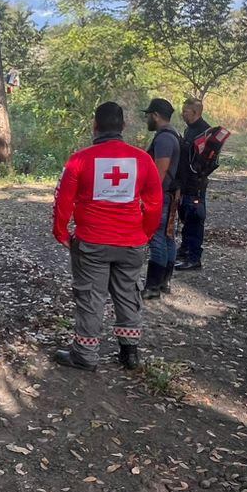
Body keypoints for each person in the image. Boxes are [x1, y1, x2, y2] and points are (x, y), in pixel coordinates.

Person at [51, 101, 162, 371]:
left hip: (93, 242)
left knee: (90, 297)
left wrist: (61, 232)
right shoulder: (143, 160)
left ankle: (85, 355)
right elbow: (155, 203)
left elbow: (63, 200)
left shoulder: (80, 159)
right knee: (128, 294)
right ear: (123, 126)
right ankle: (130, 353)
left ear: (95, 125)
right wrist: (144, 233)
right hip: (132, 242)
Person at [142, 97, 182, 296]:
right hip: (170, 195)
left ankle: (152, 287)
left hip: (162, 196)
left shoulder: (164, 138)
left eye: (148, 115)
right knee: (167, 237)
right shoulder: (173, 134)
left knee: (157, 237)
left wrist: (149, 198)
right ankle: (164, 282)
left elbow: (160, 171)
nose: (147, 119)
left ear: (156, 116)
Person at [173, 97, 212, 271]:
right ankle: (184, 250)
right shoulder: (190, 130)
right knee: (186, 217)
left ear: (195, 113)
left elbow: (204, 163)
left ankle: (194, 257)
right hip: (185, 183)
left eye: (185, 111)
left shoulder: (205, 132)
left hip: (195, 184)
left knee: (195, 219)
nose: (182, 114)